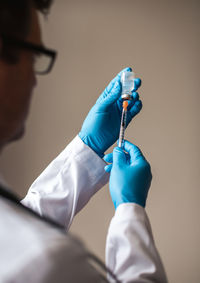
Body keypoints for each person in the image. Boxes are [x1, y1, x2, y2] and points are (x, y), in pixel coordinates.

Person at [0, 0, 168, 282]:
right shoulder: (48, 263)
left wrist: (88, 145)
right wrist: (130, 210)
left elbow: (17, 224)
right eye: (35, 57)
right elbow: (29, 246)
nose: (34, 81)